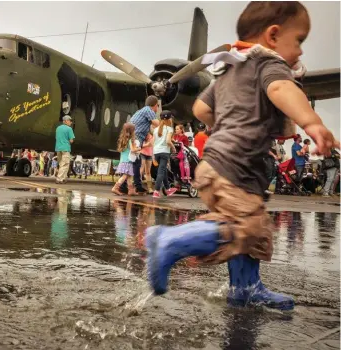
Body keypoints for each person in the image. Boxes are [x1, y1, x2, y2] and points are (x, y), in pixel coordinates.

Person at [145, 1, 339, 311]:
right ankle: (171, 242)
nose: (300, 51)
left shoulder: (228, 72)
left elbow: (200, 109)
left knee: (256, 229)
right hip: (236, 166)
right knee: (243, 228)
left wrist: (225, 129)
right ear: (273, 36)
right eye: (299, 40)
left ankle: (246, 287)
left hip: (217, 164)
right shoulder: (270, 64)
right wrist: (313, 123)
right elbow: (281, 90)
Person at [120, 96, 160, 194]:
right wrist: (166, 126)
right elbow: (157, 123)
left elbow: (149, 129)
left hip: (134, 137)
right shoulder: (148, 110)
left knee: (134, 162)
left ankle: (133, 185)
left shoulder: (141, 111)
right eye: (157, 106)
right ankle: (126, 185)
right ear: (155, 105)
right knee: (134, 162)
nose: (157, 108)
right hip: (135, 138)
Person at [152, 110, 177, 198]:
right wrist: (173, 148)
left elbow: (153, 142)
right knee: (161, 172)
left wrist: (153, 156)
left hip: (156, 152)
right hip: (164, 152)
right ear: (169, 119)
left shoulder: (155, 130)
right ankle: (156, 191)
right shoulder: (169, 129)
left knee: (163, 170)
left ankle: (168, 189)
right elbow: (168, 141)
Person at [111, 123, 140, 196]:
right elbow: (133, 150)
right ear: (131, 131)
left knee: (129, 176)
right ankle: (115, 188)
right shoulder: (130, 140)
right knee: (124, 176)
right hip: (127, 161)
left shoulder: (123, 139)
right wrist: (139, 148)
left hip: (123, 160)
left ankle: (131, 190)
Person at [55, 115, 75, 184]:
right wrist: (68, 142)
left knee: (61, 164)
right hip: (65, 148)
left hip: (58, 148)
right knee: (65, 164)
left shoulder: (58, 128)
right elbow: (71, 140)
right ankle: (59, 179)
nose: (71, 122)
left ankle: (63, 178)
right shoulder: (69, 129)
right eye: (70, 121)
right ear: (66, 121)